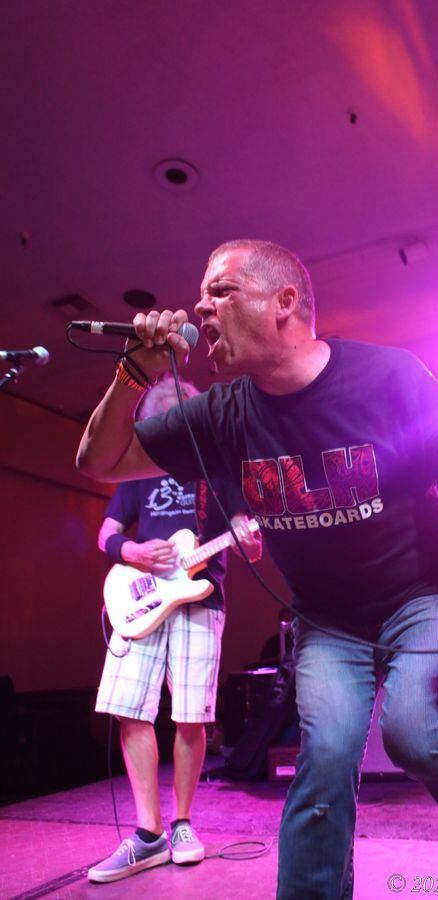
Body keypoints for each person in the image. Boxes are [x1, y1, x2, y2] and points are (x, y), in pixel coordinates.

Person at [77, 240, 438, 900]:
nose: (200, 308)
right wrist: (133, 374)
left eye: (220, 291)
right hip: (327, 618)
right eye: (201, 295)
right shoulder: (221, 413)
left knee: (417, 733)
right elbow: (97, 463)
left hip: (418, 592)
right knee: (324, 759)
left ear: (285, 302)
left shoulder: (389, 378)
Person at [87, 374, 261, 884]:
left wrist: (250, 539)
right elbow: (107, 533)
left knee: (190, 716)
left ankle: (182, 824)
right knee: (128, 707)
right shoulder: (136, 472)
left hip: (198, 602)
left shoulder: (217, 470)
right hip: (141, 598)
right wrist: (133, 551)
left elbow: (250, 542)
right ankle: (149, 834)